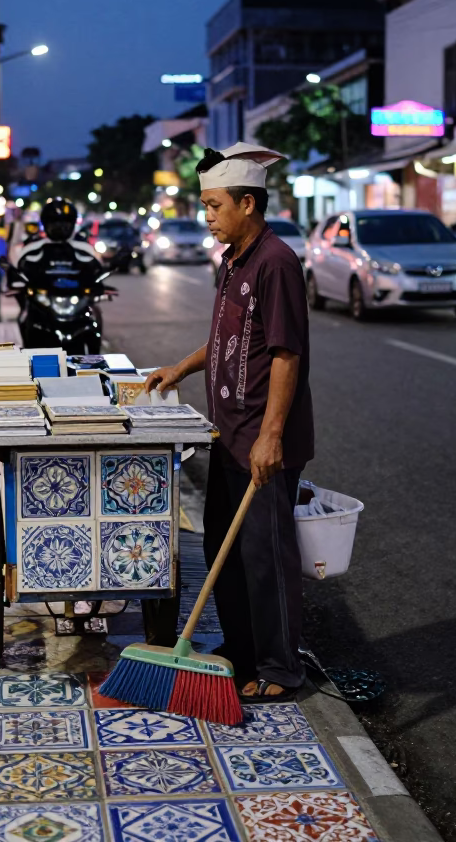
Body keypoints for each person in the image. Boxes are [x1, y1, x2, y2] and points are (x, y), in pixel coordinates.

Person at [144, 143, 314, 701]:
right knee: (225, 548)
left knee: (267, 557)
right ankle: (241, 652)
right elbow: (227, 338)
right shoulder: (233, 261)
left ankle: (281, 667)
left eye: (214, 207)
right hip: (229, 434)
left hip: (263, 442)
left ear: (247, 203)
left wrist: (271, 437)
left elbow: (287, 354)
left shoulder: (276, 262)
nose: (207, 217)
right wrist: (182, 368)